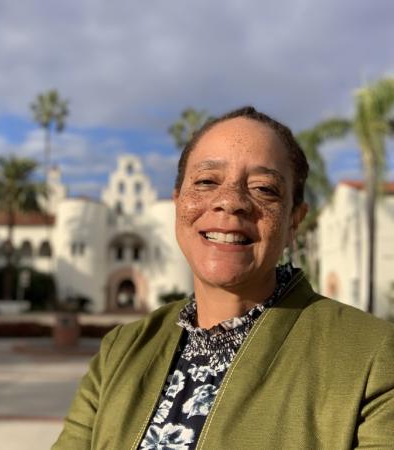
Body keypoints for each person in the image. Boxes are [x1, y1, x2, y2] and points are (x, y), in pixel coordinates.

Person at [52, 107, 394, 450]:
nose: (230, 201)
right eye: (206, 182)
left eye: (264, 188)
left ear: (294, 220)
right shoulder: (120, 352)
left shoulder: (371, 359)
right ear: (177, 203)